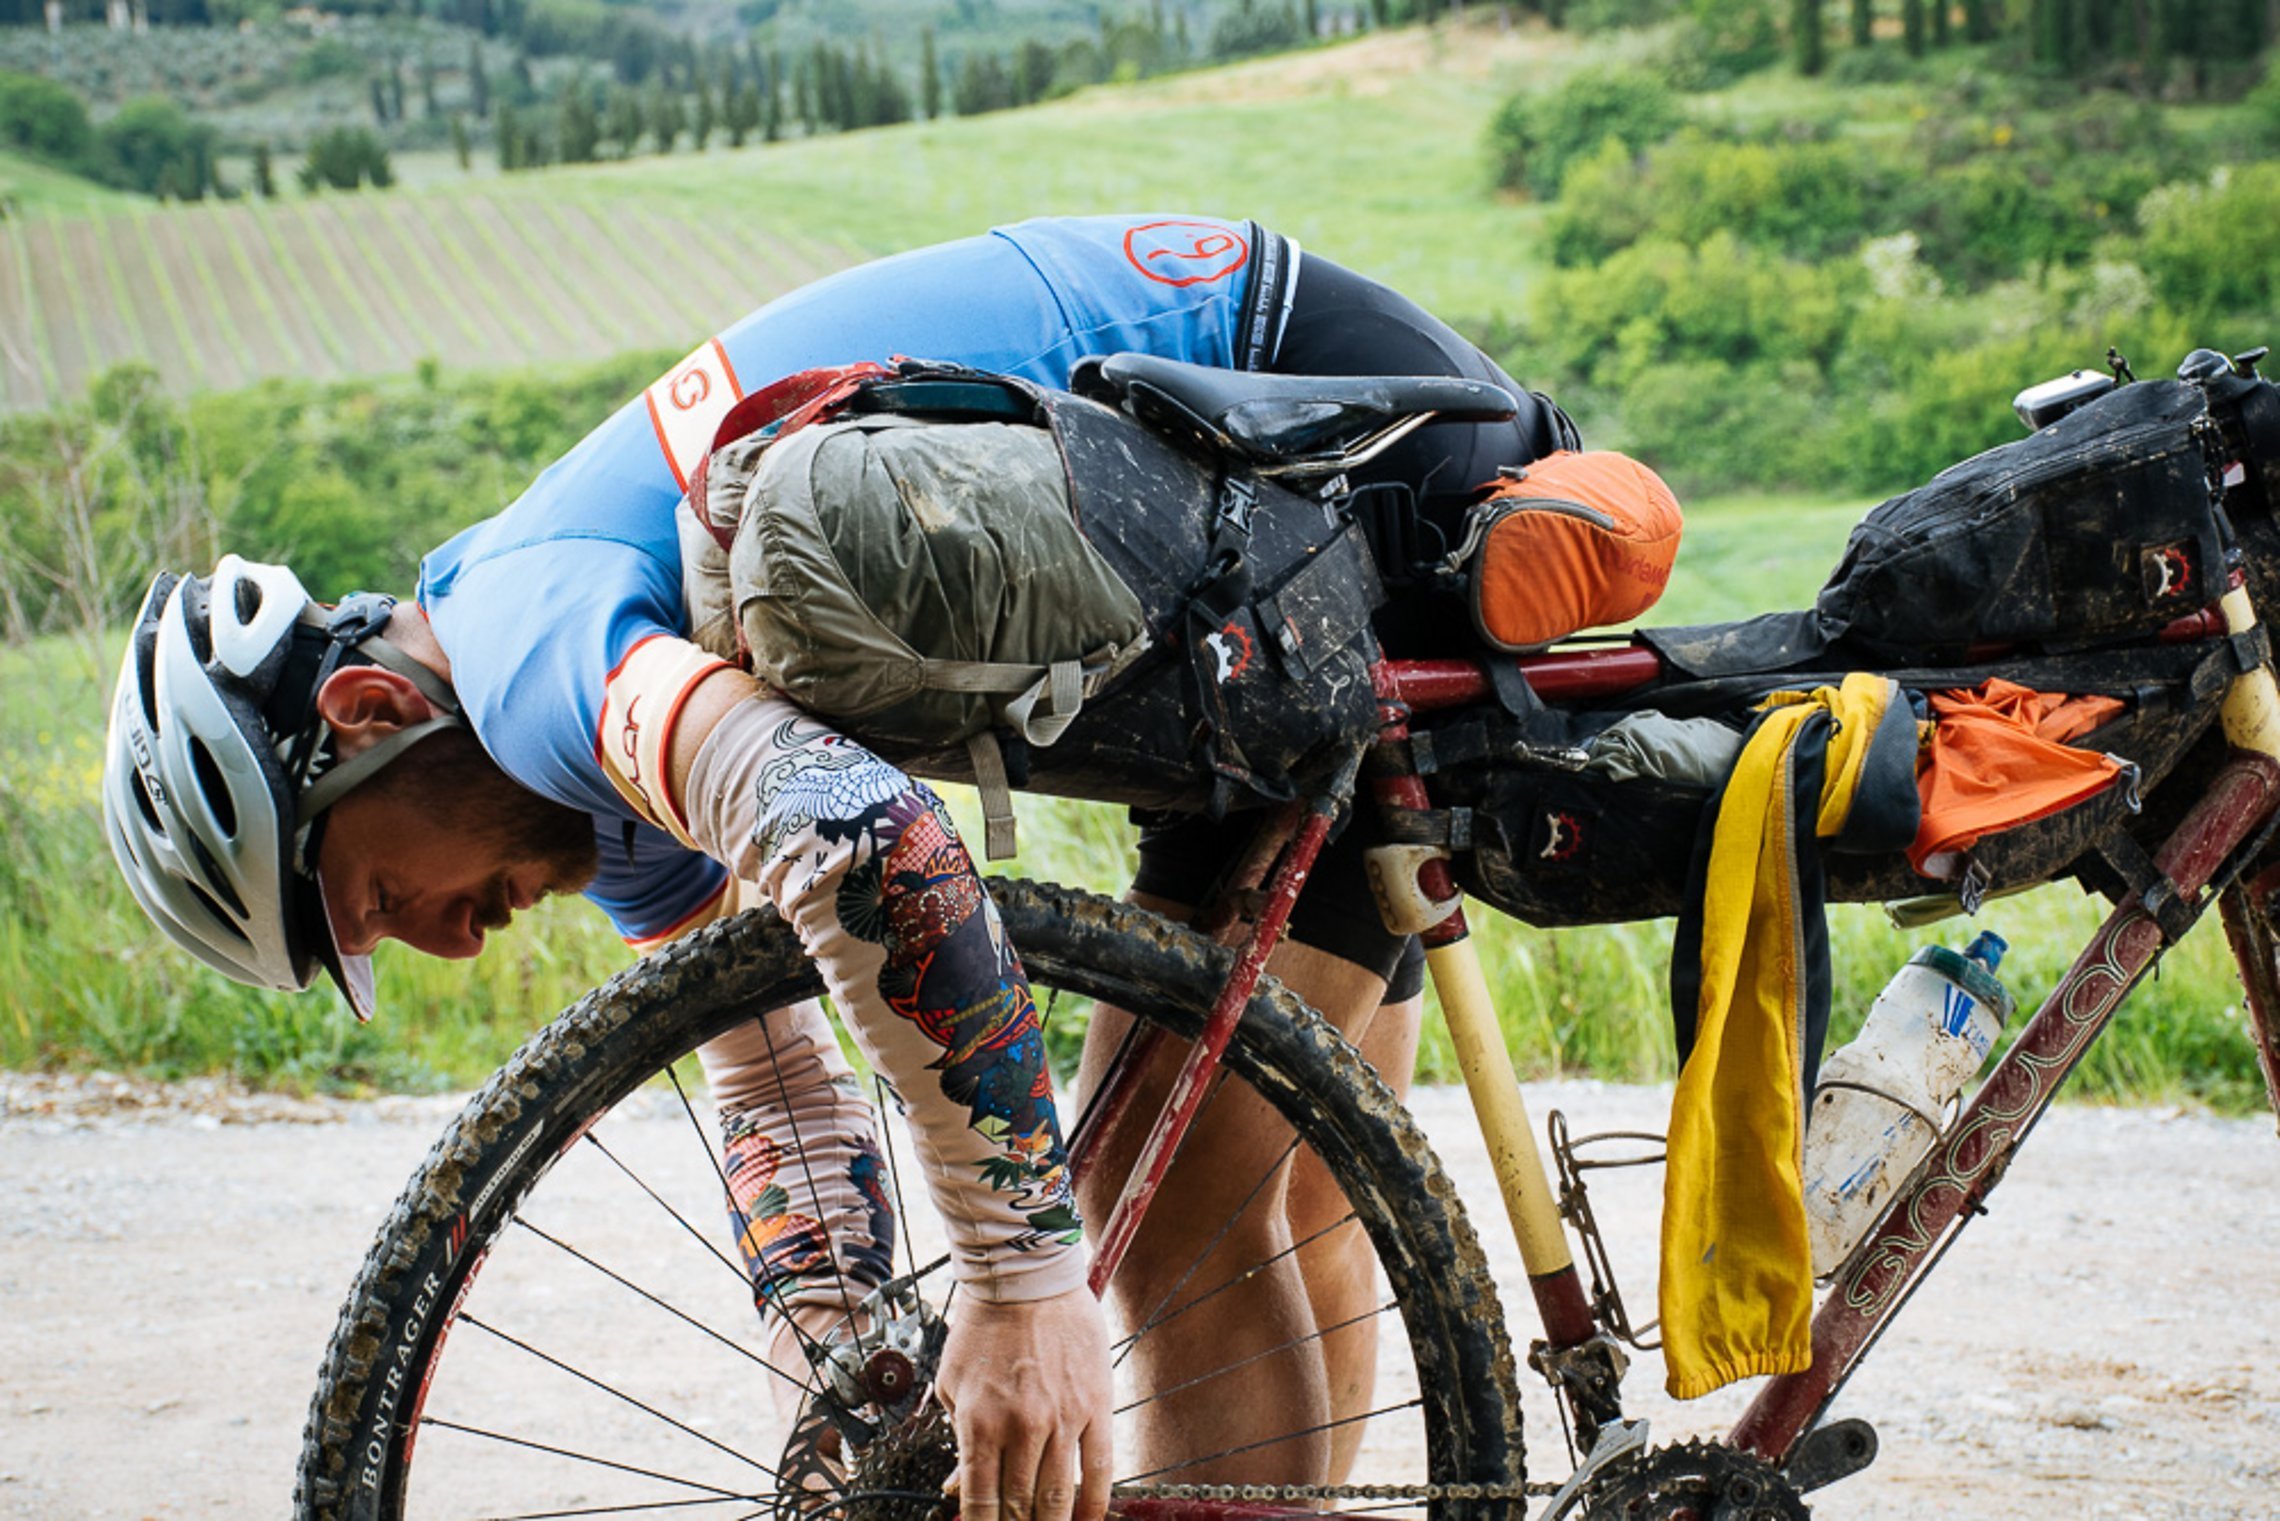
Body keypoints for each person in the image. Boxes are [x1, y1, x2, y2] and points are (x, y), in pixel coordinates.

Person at [100, 213, 1574, 1516]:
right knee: (1259, 1195)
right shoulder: (587, 746)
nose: (445, 944)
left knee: (1166, 1195)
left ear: (367, 716)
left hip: (1324, 425)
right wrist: (844, 1360)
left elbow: (862, 836)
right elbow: (776, 1083)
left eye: (373, 901)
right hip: (1263, 460)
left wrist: (1015, 1278)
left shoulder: (528, 651)